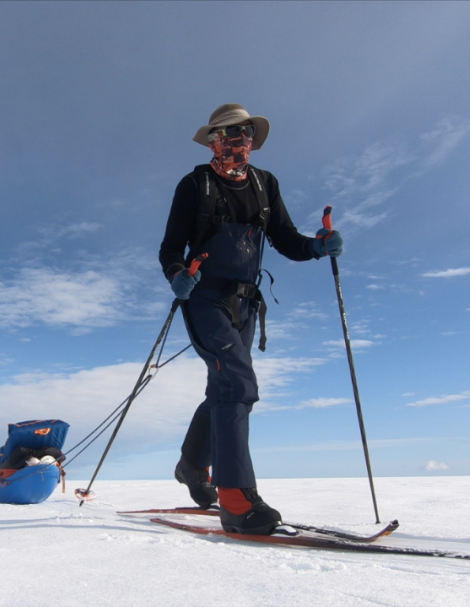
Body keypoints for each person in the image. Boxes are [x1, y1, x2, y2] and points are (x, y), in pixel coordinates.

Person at [158, 103, 343, 535]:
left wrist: (317, 247)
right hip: (204, 298)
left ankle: (190, 465)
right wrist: (176, 276)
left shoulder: (265, 184)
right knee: (238, 385)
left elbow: (286, 239)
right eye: (227, 134)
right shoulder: (195, 185)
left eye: (244, 133)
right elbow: (170, 248)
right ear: (212, 141)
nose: (237, 140)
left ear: (252, 140)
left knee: (225, 388)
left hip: (244, 304)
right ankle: (237, 499)